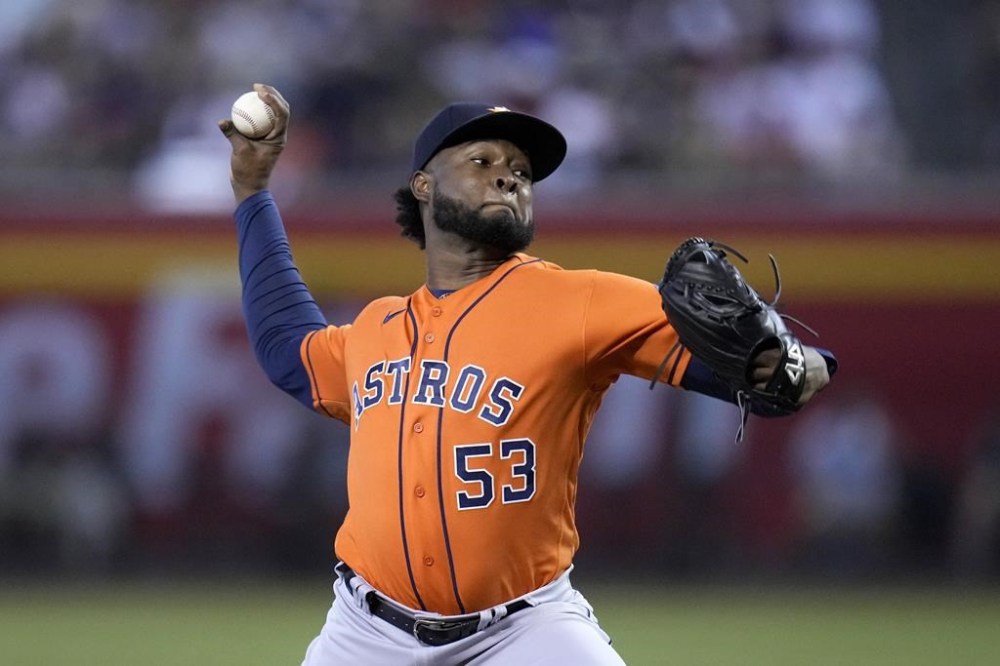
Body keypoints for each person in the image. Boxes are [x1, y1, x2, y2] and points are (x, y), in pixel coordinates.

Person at [218, 83, 834, 665]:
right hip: (364, 632)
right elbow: (286, 348)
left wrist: (788, 366)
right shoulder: (377, 328)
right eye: (482, 159)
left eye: (520, 169)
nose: (509, 173)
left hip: (524, 630)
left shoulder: (581, 302)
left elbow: (772, 376)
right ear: (424, 185)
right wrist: (253, 191)